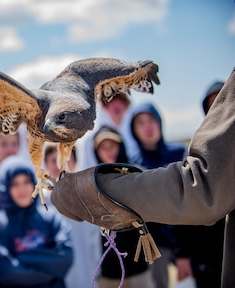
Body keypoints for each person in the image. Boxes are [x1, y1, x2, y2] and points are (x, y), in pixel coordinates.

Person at [50, 66, 235, 288]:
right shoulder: (125, 153)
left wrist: (101, 189)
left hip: (174, 246)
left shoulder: (177, 153)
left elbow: (201, 186)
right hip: (122, 258)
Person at [0, 155, 73, 288]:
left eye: (26, 181)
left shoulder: (51, 216)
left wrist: (19, 258)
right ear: (4, 187)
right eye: (15, 184)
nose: (22, 189)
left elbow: (66, 258)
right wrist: (50, 271)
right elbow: (6, 272)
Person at [172, 81, 226, 288]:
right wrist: (183, 254)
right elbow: (187, 204)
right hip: (206, 256)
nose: (218, 111)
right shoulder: (197, 151)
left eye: (223, 103)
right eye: (213, 105)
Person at [129, 102, 186, 288]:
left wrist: (185, 252)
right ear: (133, 130)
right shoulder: (133, 164)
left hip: (187, 239)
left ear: (159, 122)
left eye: (151, 120)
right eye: (140, 122)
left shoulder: (180, 154)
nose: (147, 127)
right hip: (155, 245)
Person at [93, 126, 154, 288]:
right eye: (103, 147)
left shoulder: (138, 174)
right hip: (108, 269)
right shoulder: (91, 182)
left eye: (112, 145)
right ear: (95, 151)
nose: (108, 151)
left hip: (140, 265)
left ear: (121, 146)